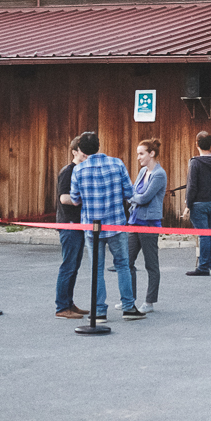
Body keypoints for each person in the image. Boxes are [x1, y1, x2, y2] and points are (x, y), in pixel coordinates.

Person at [67, 130, 135, 320]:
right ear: (99, 145)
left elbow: (74, 199)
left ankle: (99, 310)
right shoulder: (117, 163)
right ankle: (128, 307)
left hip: (91, 227)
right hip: (115, 223)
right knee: (123, 265)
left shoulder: (78, 170)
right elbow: (129, 192)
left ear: (81, 149)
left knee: (96, 269)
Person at [122, 138, 166, 317]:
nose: (138, 157)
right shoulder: (142, 172)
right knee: (127, 261)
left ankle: (149, 301)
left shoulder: (159, 174)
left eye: (141, 153)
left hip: (149, 223)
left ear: (152, 154)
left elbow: (144, 197)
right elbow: (133, 192)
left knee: (151, 264)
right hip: (134, 221)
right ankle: (128, 299)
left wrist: (133, 197)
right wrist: (134, 197)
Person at [53, 135, 88, 318]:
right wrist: (85, 198)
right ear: (74, 151)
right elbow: (64, 198)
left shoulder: (81, 170)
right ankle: (61, 307)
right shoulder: (69, 171)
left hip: (79, 224)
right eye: (83, 151)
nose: (86, 155)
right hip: (69, 223)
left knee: (74, 265)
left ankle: (69, 302)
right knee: (68, 265)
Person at [183, 130, 211, 276]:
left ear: (197, 144)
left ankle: (203, 266)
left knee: (203, 235)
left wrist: (188, 205)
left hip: (199, 203)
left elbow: (192, 186)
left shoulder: (195, 162)